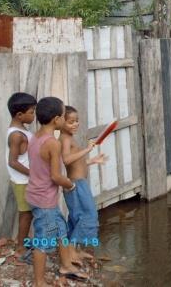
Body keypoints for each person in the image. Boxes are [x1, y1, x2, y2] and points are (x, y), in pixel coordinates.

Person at [26, 97, 88, 285]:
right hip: (44, 200)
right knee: (42, 242)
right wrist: (70, 185)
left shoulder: (35, 136)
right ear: (56, 120)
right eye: (63, 116)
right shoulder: (53, 143)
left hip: (38, 195)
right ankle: (39, 282)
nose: (64, 119)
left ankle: (67, 265)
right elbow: (55, 176)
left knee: (60, 230)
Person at [59, 106, 105, 265]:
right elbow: (66, 160)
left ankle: (75, 250)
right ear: (60, 122)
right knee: (88, 216)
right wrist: (87, 149)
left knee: (77, 218)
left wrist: (92, 161)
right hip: (75, 186)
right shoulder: (64, 139)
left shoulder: (70, 137)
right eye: (70, 122)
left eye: (77, 121)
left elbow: (76, 162)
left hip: (79, 184)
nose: (75, 124)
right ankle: (71, 251)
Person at [6, 92, 37, 261]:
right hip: (23, 180)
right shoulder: (16, 135)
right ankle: (20, 249)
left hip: (25, 180)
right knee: (25, 214)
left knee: (28, 213)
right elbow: (13, 161)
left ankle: (24, 243)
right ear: (19, 114)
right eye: (31, 112)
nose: (34, 115)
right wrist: (34, 174)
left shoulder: (21, 130)